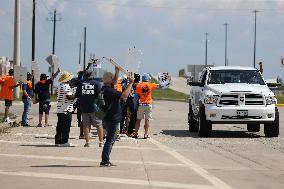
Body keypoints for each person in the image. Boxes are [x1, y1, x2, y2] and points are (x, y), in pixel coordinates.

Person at [100, 67, 134, 167]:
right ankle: (105, 160)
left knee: (111, 139)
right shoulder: (111, 91)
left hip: (106, 118)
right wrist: (131, 83)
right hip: (112, 119)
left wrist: (116, 71)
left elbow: (113, 82)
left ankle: (105, 159)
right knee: (110, 140)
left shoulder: (103, 89)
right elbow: (124, 95)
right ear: (110, 80)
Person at [76, 69, 104, 147]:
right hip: (95, 108)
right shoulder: (97, 84)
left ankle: (87, 142)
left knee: (86, 125)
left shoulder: (81, 84)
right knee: (99, 125)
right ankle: (101, 142)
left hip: (84, 107)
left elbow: (77, 95)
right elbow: (100, 96)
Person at [132, 73, 160, 139]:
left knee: (138, 120)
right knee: (147, 120)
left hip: (141, 104)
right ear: (147, 79)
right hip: (148, 105)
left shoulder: (139, 85)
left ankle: (135, 133)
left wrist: (135, 106)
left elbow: (135, 98)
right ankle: (146, 134)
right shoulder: (150, 85)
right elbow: (160, 86)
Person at [55, 71, 75, 147]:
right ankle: (64, 142)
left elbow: (57, 95)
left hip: (60, 109)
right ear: (67, 80)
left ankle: (57, 141)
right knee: (66, 127)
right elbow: (69, 97)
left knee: (59, 126)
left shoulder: (60, 86)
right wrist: (76, 95)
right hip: (66, 109)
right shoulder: (67, 86)